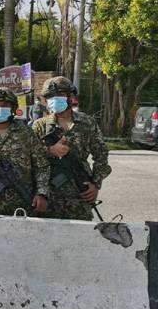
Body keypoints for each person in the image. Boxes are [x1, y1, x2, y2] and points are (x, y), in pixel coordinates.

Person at [32, 77, 111, 220]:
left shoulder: (87, 123)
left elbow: (102, 154)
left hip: (79, 193)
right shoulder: (39, 126)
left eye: (60, 95)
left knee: (80, 238)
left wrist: (95, 184)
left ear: (71, 97)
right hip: (48, 195)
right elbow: (28, 156)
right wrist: (49, 151)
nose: (55, 99)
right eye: (50, 96)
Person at [0, 87, 50, 217]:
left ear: (13, 108)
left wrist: (41, 193)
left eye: (5, 105)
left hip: (23, 203)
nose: (0, 109)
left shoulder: (27, 134)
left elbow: (42, 165)